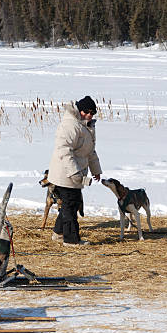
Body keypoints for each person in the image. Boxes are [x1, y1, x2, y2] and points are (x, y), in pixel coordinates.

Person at [47, 96, 102, 246]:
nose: (89, 115)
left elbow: (90, 151)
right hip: (64, 172)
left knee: (70, 202)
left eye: (93, 112)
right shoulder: (70, 125)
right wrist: (74, 173)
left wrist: (96, 169)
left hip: (76, 171)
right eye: (86, 111)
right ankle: (71, 240)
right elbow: (64, 150)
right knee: (71, 204)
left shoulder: (87, 126)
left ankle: (59, 233)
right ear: (79, 110)